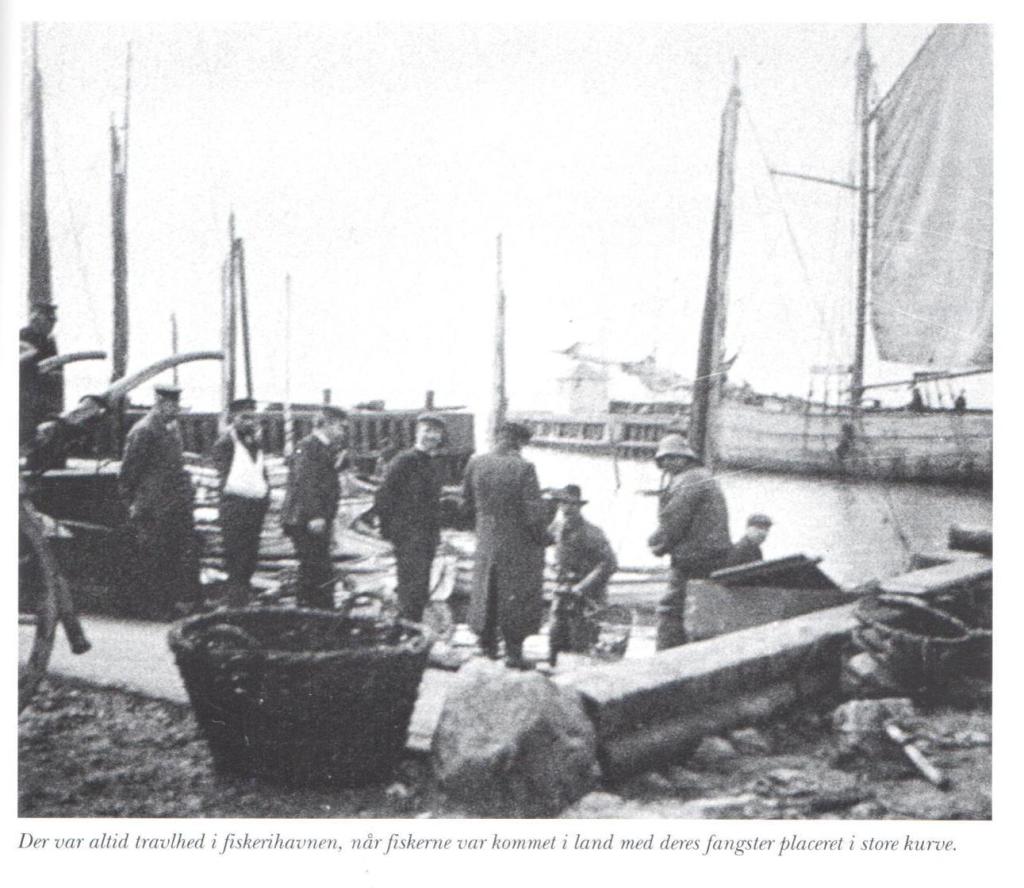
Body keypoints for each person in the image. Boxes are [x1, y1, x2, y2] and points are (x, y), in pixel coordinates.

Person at [462, 421, 550, 669]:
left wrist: (483, 528)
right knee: (517, 595)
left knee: (485, 592)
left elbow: (466, 505)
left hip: (486, 540)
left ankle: (486, 647)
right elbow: (533, 515)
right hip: (516, 544)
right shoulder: (524, 467)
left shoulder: (475, 463)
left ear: (497, 438)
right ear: (519, 442)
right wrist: (544, 538)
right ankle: (513, 653)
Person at [118, 384, 201, 619]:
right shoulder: (144, 430)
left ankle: (168, 604)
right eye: (171, 405)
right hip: (153, 506)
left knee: (172, 555)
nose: (176, 410)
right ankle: (153, 607)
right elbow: (129, 471)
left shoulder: (171, 429)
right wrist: (132, 502)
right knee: (154, 557)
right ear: (159, 403)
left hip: (174, 504)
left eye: (176, 405)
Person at [647, 433, 730, 651]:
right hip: (714, 557)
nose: (666, 463)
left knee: (670, 610)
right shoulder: (702, 476)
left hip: (692, 559)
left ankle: (664, 659)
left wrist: (656, 544)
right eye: (663, 459)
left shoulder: (688, 480)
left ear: (684, 458)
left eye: (671, 458)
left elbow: (673, 521)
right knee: (700, 611)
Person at [373, 413, 446, 622]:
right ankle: (406, 629)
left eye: (436, 432)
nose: (432, 436)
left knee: (420, 588)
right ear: (417, 433)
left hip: (427, 535)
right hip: (408, 534)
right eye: (427, 430)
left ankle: (411, 627)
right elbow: (383, 495)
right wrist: (389, 530)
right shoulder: (404, 460)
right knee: (410, 588)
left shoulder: (433, 463)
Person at [280, 405, 350, 610]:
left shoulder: (322, 448)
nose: (343, 432)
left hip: (313, 519)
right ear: (326, 424)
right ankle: (315, 612)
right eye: (340, 427)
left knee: (315, 569)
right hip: (306, 519)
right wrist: (315, 515)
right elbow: (305, 482)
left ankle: (314, 611)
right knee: (316, 568)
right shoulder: (309, 446)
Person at [547, 484, 618, 666]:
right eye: (563, 503)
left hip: (587, 596)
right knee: (555, 641)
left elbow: (609, 563)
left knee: (581, 646)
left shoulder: (592, 532)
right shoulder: (556, 528)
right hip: (562, 592)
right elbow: (538, 541)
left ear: (579, 506)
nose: (567, 508)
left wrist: (582, 587)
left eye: (572, 504)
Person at [211, 397, 270, 607]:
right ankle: (236, 601)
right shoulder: (226, 443)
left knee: (250, 556)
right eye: (244, 417)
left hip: (254, 508)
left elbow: (261, 472)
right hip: (235, 507)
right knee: (236, 555)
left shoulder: (255, 443)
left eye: (252, 418)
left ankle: (243, 596)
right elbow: (226, 478)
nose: (249, 422)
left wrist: (265, 496)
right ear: (233, 418)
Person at [20, 302, 63, 446]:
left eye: (54, 320)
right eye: (49, 319)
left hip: (45, 396)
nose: (53, 324)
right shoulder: (23, 336)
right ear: (36, 319)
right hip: (26, 394)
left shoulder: (49, 341)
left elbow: (56, 369)